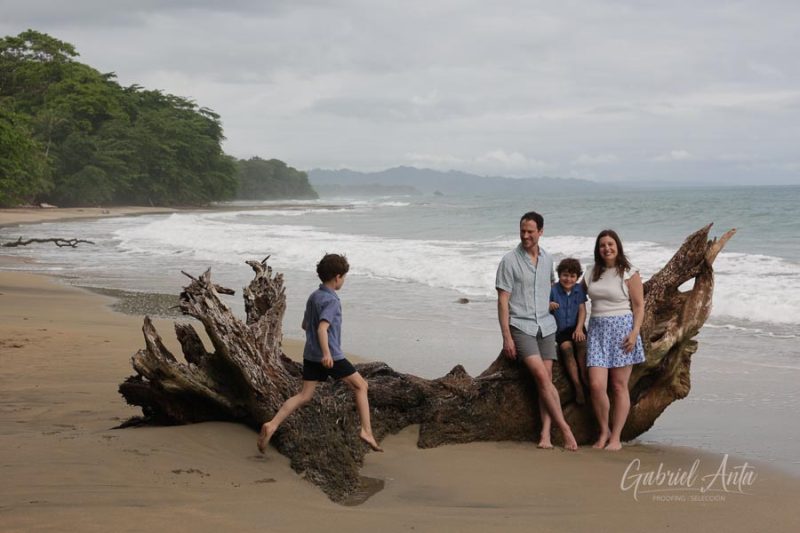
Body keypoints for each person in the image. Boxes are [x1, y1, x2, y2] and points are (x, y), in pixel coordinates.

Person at [257, 253, 382, 453]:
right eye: (344, 277)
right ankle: (366, 430)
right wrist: (326, 353)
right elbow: (321, 328)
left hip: (310, 355)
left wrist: (318, 348)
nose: (344, 281)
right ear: (338, 277)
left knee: (304, 395)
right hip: (331, 355)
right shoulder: (332, 300)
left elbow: (305, 325)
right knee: (361, 386)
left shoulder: (314, 296)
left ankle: (272, 424)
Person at [496, 211, 578, 451]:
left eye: (530, 231)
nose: (525, 235)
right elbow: (502, 301)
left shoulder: (548, 259)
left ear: (541, 232)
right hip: (521, 326)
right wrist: (506, 337)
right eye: (522, 230)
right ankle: (565, 429)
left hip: (546, 325)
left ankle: (545, 434)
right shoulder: (509, 261)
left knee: (547, 380)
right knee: (541, 377)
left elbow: (551, 287)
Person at [583, 229, 645, 451]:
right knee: (597, 385)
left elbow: (639, 306)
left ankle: (616, 437)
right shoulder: (590, 272)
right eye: (602, 245)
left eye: (610, 244)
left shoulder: (629, 272)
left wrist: (635, 331)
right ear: (598, 249)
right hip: (597, 331)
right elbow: (578, 297)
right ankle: (604, 432)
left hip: (622, 331)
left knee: (619, 386)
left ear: (617, 246)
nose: (606, 248)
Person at [549, 258, 588, 405]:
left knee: (582, 343)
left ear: (577, 277)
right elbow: (541, 309)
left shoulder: (579, 290)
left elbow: (583, 310)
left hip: (576, 326)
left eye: (572, 276)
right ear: (559, 275)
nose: (568, 279)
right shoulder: (553, 290)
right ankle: (577, 386)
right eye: (565, 275)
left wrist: (579, 328)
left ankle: (585, 378)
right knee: (566, 348)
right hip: (561, 330)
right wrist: (548, 306)